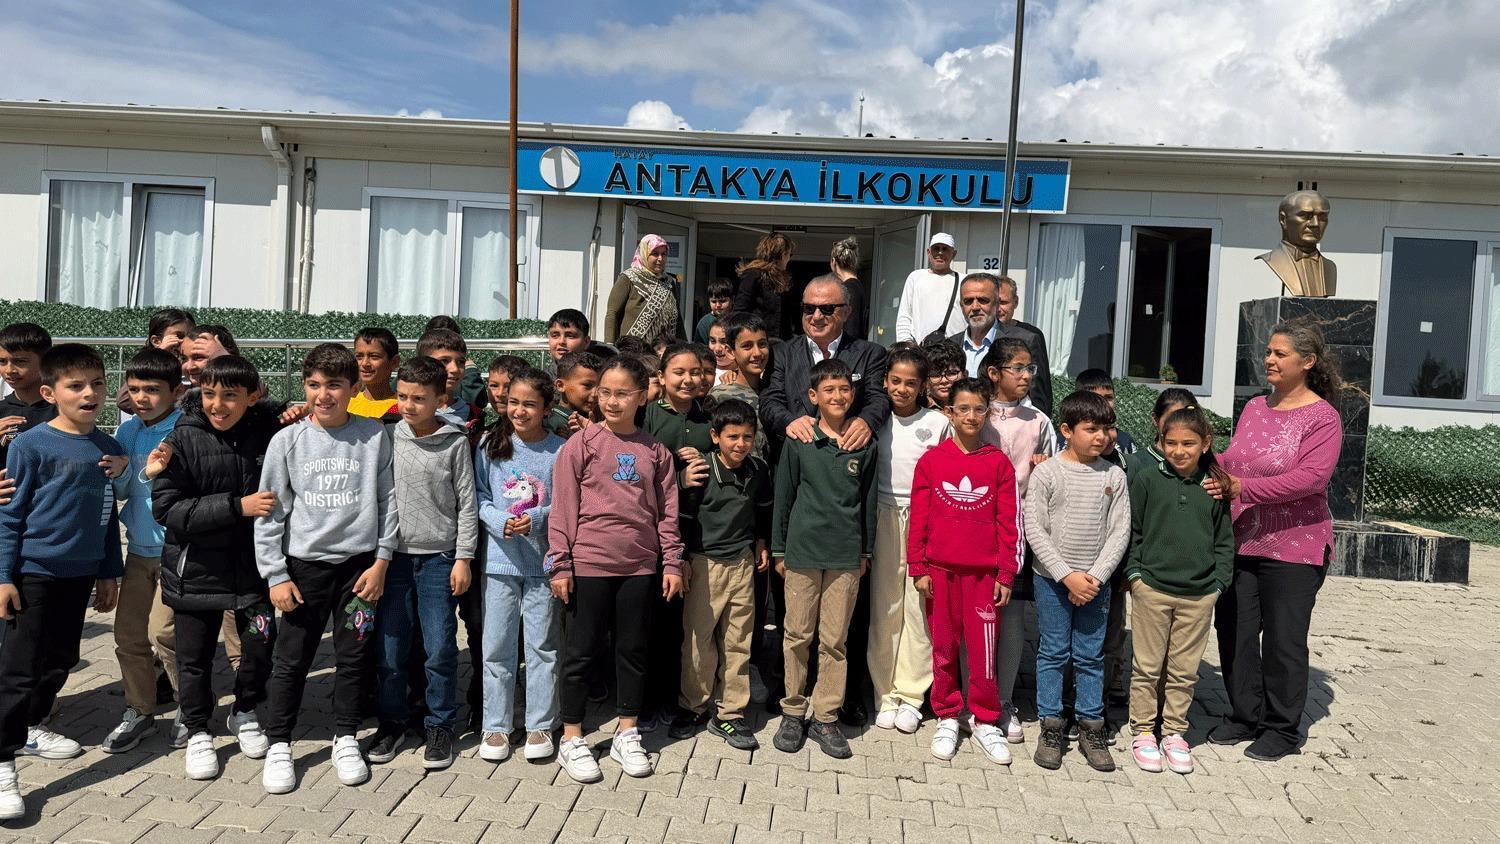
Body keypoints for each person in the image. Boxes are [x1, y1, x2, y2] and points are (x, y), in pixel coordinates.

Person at [254, 343, 398, 794]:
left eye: (334, 385)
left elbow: (388, 500)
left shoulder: (374, 435)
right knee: (291, 659)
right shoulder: (287, 441)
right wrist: (276, 574)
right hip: (304, 569)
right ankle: (280, 743)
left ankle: (345, 737)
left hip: (359, 569)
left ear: (353, 389)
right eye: (313, 385)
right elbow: (271, 512)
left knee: (354, 658)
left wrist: (381, 560)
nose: (323, 395)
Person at [1206, 322, 1343, 762]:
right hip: (1243, 540)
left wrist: (1240, 488)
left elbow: (1311, 479)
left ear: (1308, 362)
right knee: (1235, 631)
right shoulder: (1254, 407)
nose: (1269, 359)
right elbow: (1235, 460)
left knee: (1284, 640)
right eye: (1268, 351)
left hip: (1295, 546)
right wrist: (1195, 456)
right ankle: (1245, 715)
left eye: (1280, 353)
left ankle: (1282, 728)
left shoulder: (1323, 417)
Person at [0, 344, 124, 819]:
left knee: (62, 658)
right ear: (50, 393)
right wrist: (4, 577)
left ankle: (32, 726)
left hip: (81, 574)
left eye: (97, 383)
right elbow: (10, 516)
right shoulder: (31, 445)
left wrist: (108, 570)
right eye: (76, 386)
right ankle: (4, 761)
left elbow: (106, 515)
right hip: (32, 574)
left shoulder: (108, 448)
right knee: (18, 669)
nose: (89, 393)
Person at [549, 355, 685, 784]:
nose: (611, 401)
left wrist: (672, 561)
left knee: (633, 650)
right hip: (589, 564)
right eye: (604, 392)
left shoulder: (655, 451)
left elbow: (667, 513)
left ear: (642, 397)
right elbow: (562, 508)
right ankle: (572, 737)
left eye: (622, 393)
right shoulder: (581, 445)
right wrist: (560, 563)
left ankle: (628, 731)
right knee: (581, 652)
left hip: (640, 567)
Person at [760, 277, 889, 725]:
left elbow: (878, 397)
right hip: (800, 483)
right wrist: (788, 420)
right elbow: (770, 399)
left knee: (843, 619)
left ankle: (840, 697)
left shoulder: (868, 353)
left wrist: (867, 420)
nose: (816, 315)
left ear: (845, 312)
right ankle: (789, 695)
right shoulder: (784, 352)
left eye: (827, 308)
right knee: (794, 615)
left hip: (846, 487)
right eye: (808, 308)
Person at [151, 354, 284, 780]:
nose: (218, 404)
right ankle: (196, 730)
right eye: (209, 394)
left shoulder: (269, 432)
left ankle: (244, 710)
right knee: (194, 658)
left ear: (252, 396)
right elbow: (167, 508)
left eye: (229, 395)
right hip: (195, 571)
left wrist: (292, 414)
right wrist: (236, 507)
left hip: (254, 570)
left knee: (259, 647)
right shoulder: (181, 438)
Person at [366, 356, 477, 772]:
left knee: (440, 647)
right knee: (391, 649)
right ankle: (393, 723)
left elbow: (467, 504)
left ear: (439, 399)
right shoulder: (386, 436)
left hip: (439, 559)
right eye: (403, 397)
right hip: (393, 559)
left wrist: (463, 558)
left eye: (419, 398)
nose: (408, 406)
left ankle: (440, 724)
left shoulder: (454, 442)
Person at [908, 376, 1021, 764]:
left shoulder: (998, 463)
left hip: (984, 578)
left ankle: (985, 719)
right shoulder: (932, 461)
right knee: (944, 649)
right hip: (939, 574)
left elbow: (1008, 523)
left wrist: (1006, 573)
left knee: (984, 653)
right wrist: (918, 566)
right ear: (949, 413)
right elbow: (919, 519)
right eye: (963, 409)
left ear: (987, 413)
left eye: (978, 409)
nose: (971, 416)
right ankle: (947, 715)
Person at [770, 358, 877, 760]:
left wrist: (864, 552)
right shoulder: (799, 441)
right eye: (828, 390)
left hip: (845, 556)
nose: (837, 396)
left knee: (834, 640)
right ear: (813, 396)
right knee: (797, 634)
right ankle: (793, 711)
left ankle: (826, 716)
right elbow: (784, 497)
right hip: (802, 552)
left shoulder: (864, 444)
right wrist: (779, 549)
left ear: (853, 394)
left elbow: (868, 503)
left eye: (844, 389)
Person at [1125, 405, 1234, 775]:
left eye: (1188, 443)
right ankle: (1143, 731)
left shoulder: (1215, 486)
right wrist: (1136, 576)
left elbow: (1224, 541)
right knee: (1147, 667)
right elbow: (1134, 531)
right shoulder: (1147, 480)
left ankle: (1174, 732)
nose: (1179, 450)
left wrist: (1217, 585)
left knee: (1184, 671)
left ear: (1205, 443)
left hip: (1199, 596)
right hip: (1152, 590)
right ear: (1160, 442)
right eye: (1170, 443)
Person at [1025, 391, 1130, 773]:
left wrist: (1095, 577)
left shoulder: (1114, 476)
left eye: (1107, 428)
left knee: (1090, 655)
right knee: (1053, 652)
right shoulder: (1047, 473)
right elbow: (1035, 528)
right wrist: (1066, 575)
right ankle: (1051, 724)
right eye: (1091, 429)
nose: (1101, 436)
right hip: (1052, 581)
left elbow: (1120, 532)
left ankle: (1091, 725)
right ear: (1067, 430)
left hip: (1095, 585)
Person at [670, 399, 771, 750]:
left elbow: (762, 511)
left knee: (737, 640)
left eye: (747, 437)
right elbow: (683, 518)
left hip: (742, 564)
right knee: (698, 641)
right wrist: (682, 558)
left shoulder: (757, 470)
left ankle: (730, 712)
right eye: (732, 437)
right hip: (703, 564)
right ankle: (694, 706)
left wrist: (761, 542)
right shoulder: (700, 470)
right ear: (715, 436)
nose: (740, 444)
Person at [476, 368, 564, 763]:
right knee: (497, 645)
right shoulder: (489, 445)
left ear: (547, 407)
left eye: (530, 404)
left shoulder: (560, 450)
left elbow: (567, 503)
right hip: (500, 563)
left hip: (543, 566)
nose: (520, 411)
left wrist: (539, 517)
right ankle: (496, 724)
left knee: (543, 646)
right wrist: (499, 520)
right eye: (513, 402)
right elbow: (478, 496)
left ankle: (540, 722)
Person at [104, 348, 185, 755]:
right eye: (134, 389)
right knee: (128, 635)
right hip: (137, 549)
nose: (141, 398)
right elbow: (122, 489)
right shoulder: (128, 431)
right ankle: (140, 710)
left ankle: (190, 708)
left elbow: (173, 484)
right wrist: (122, 475)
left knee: (164, 633)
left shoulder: (185, 429)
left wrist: (138, 474)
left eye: (152, 389)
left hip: (177, 550)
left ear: (176, 391)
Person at [980, 337, 1057, 742]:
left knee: (1011, 616)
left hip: (1020, 532)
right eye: (1019, 368)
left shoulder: (1038, 421)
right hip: (975, 527)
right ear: (994, 373)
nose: (1027, 376)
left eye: (1031, 369)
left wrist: (1044, 468)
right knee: (976, 612)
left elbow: (1053, 473)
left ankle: (1005, 699)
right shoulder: (976, 413)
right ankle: (972, 695)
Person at [869, 347, 948, 735]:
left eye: (911, 383)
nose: (902, 389)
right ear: (885, 381)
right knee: (885, 607)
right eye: (895, 381)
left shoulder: (937, 423)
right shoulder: (875, 418)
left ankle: (912, 694)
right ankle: (884, 693)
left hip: (924, 519)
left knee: (918, 609)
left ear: (923, 386)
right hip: (883, 513)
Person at [641, 344, 713, 731]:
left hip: (696, 531)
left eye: (695, 372)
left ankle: (674, 697)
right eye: (679, 372)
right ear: (662, 376)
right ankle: (645, 701)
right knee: (650, 619)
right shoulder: (647, 416)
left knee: (679, 622)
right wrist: (679, 477)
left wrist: (707, 464)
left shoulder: (709, 419)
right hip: (650, 531)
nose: (688, 380)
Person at [945, 274, 1054, 414]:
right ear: (961, 306)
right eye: (968, 301)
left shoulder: (1026, 340)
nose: (975, 307)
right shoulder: (951, 345)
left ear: (996, 304)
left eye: (983, 300)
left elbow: (1039, 402)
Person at [115, 308, 196, 418]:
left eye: (190, 336)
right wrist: (159, 353)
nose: (184, 341)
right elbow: (124, 401)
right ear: (156, 341)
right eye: (179, 336)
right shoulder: (148, 367)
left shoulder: (194, 366)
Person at [606, 235, 684, 347]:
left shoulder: (669, 282)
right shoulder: (629, 278)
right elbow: (612, 313)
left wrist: (683, 346)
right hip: (633, 350)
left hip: (662, 350)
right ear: (644, 254)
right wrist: (610, 346)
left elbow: (678, 319)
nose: (660, 259)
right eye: (655, 254)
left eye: (664, 254)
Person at [0, 323, 55, 465]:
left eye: (20, 361)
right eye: (2, 361)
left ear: (45, 362)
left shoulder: (65, 411)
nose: (9, 370)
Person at [416, 330, 484, 440]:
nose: (455, 369)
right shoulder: (404, 410)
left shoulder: (474, 415)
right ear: (422, 364)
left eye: (461, 362)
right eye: (444, 361)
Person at [894, 233, 963, 343]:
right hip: (921, 348)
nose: (940, 253)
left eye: (945, 249)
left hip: (955, 348)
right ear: (928, 252)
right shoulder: (916, 277)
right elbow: (905, 316)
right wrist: (906, 345)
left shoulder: (964, 280)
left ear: (953, 254)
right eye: (936, 248)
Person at [732, 233, 795, 339]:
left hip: (780, 342)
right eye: (789, 254)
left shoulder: (783, 279)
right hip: (757, 339)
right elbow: (740, 311)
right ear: (782, 254)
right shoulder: (753, 275)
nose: (789, 258)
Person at [810, 237, 866, 340]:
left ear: (834, 262)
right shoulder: (856, 286)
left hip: (848, 347)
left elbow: (851, 327)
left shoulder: (849, 288)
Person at [349, 327, 401, 424]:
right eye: (359, 356)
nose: (364, 363)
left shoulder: (404, 407)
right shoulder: (346, 403)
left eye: (374, 356)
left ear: (394, 362)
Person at [546, 351, 602, 439]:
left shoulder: (601, 418)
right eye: (587, 385)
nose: (596, 394)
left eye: (600, 387)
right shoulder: (552, 424)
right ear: (560, 385)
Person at [544, 309, 615, 378]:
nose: (561, 341)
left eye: (570, 336)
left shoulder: (603, 377)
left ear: (586, 342)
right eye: (555, 335)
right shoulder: (544, 380)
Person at [921, 340, 965, 410]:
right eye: (935, 375)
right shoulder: (915, 408)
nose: (944, 381)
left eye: (951, 373)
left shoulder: (977, 404)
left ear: (964, 375)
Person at [694, 277, 735, 343]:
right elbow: (699, 347)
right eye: (713, 301)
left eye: (722, 301)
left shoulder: (738, 320)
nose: (718, 305)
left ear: (732, 300)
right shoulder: (704, 323)